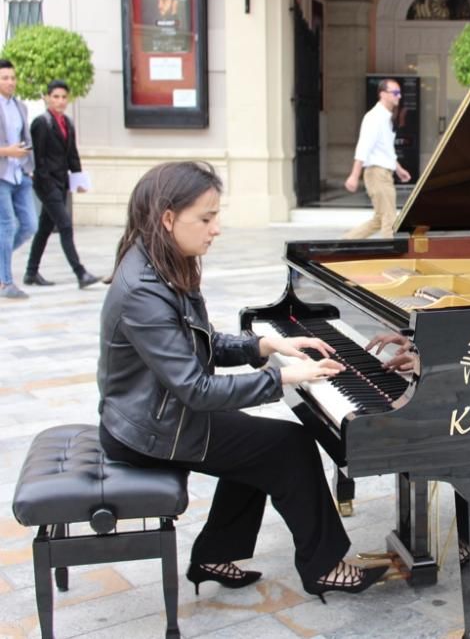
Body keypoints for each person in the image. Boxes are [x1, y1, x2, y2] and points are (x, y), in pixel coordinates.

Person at [97, 161, 387, 602]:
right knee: (287, 445)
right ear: (168, 218)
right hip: (150, 431)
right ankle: (324, 567)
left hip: (160, 415)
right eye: (207, 218)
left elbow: (202, 343)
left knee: (258, 445)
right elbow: (196, 388)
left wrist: (265, 347)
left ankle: (215, 554)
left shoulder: (161, 263)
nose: (216, 229)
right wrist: (284, 376)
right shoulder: (143, 290)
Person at [24, 80, 101, 289]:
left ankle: (31, 273)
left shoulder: (67, 122)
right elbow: (38, 158)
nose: (60, 101)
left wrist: (78, 180)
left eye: (63, 97)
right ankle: (80, 273)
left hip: (61, 183)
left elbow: (72, 155)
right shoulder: (41, 123)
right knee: (65, 225)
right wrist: (46, 184)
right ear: (47, 98)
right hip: (46, 184)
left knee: (45, 228)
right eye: (56, 97)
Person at [343, 78, 411, 239]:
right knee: (389, 220)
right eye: (395, 92)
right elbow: (363, 147)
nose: (399, 96)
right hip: (377, 174)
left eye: (399, 92)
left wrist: (399, 169)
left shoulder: (386, 117)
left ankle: (343, 244)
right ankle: (391, 256)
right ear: (383, 94)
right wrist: (354, 175)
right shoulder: (374, 117)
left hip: (383, 173)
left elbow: (385, 150)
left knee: (380, 219)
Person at [0, 58, 37, 300]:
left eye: (13, 77)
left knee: (29, 225)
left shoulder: (20, 107)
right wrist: (8, 152)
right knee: (6, 226)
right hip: (2, 174)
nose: (11, 82)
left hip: (20, 173)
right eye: (5, 78)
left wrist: (28, 166)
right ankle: (6, 282)